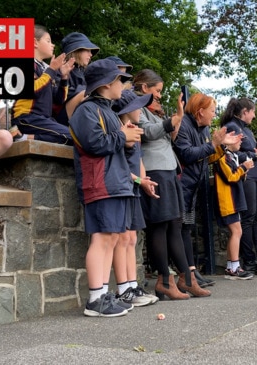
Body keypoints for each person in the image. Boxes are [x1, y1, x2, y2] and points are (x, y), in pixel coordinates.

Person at [68, 59, 142, 317]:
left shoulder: (107, 111)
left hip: (116, 183)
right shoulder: (86, 110)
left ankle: (102, 295)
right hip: (101, 183)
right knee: (101, 238)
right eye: (120, 80)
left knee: (110, 238)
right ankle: (95, 299)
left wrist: (125, 136)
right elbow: (94, 144)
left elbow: (109, 142)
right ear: (107, 83)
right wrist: (123, 136)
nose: (124, 84)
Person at [132, 69, 195, 300]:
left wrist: (176, 119)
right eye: (157, 90)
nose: (159, 96)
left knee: (174, 224)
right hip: (154, 169)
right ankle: (164, 280)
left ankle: (185, 278)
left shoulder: (156, 111)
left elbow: (170, 138)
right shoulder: (136, 107)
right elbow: (147, 134)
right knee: (159, 225)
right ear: (145, 88)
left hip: (169, 169)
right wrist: (174, 119)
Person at [173, 93, 241, 294]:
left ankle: (191, 271)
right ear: (200, 111)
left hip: (193, 186)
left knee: (187, 228)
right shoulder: (184, 124)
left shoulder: (202, 128)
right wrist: (213, 144)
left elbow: (205, 158)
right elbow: (186, 154)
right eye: (212, 110)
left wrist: (220, 145)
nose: (214, 115)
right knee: (181, 229)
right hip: (182, 184)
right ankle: (185, 273)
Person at [111, 90, 160, 307]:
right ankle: (124, 289)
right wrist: (138, 181)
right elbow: (119, 165)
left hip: (134, 189)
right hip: (124, 187)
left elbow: (138, 161)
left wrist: (144, 181)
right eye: (137, 107)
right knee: (123, 239)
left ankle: (132, 285)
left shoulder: (135, 132)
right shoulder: (120, 131)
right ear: (127, 110)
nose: (141, 110)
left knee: (131, 239)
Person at [220, 98, 257, 276]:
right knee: (249, 218)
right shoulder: (233, 127)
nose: (254, 115)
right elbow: (232, 152)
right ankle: (250, 260)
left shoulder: (246, 130)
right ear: (245, 111)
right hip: (247, 176)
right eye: (253, 111)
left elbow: (247, 152)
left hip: (256, 175)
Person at [11, 25, 76, 145]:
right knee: (71, 136)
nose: (53, 45)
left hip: (42, 119)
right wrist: (51, 70)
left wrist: (64, 77)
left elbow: (59, 100)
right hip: (26, 117)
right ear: (34, 42)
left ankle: (23, 137)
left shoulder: (45, 69)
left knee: (74, 137)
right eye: (48, 41)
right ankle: (19, 136)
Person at [213, 128, 254, 280]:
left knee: (235, 232)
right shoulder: (223, 157)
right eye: (238, 139)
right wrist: (244, 168)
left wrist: (243, 169)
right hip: (227, 200)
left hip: (233, 198)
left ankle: (232, 265)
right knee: (237, 231)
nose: (240, 142)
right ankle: (235, 267)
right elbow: (230, 177)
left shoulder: (231, 156)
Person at [55, 32, 99, 125]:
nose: (91, 54)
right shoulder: (62, 68)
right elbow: (58, 96)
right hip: (61, 117)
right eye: (87, 50)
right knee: (87, 92)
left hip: (81, 115)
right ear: (77, 50)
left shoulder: (84, 72)